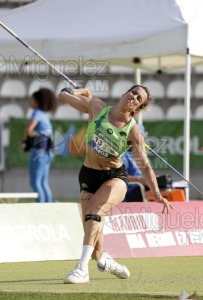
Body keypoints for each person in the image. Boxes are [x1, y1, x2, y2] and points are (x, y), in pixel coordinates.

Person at [58, 84, 173, 284]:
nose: (134, 97)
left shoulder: (133, 132)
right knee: (94, 238)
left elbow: (145, 166)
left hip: (114, 177)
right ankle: (104, 260)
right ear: (124, 93)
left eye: (139, 99)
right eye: (134, 93)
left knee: (94, 212)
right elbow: (63, 95)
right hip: (88, 175)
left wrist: (157, 193)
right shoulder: (97, 107)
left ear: (138, 108)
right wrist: (80, 91)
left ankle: (81, 269)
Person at [22, 88, 57, 203]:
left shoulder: (37, 113)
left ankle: (41, 209)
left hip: (39, 152)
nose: (29, 101)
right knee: (43, 182)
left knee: (35, 182)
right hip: (48, 152)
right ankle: (49, 207)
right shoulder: (45, 115)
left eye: (31, 99)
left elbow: (28, 129)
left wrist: (26, 141)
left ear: (37, 101)